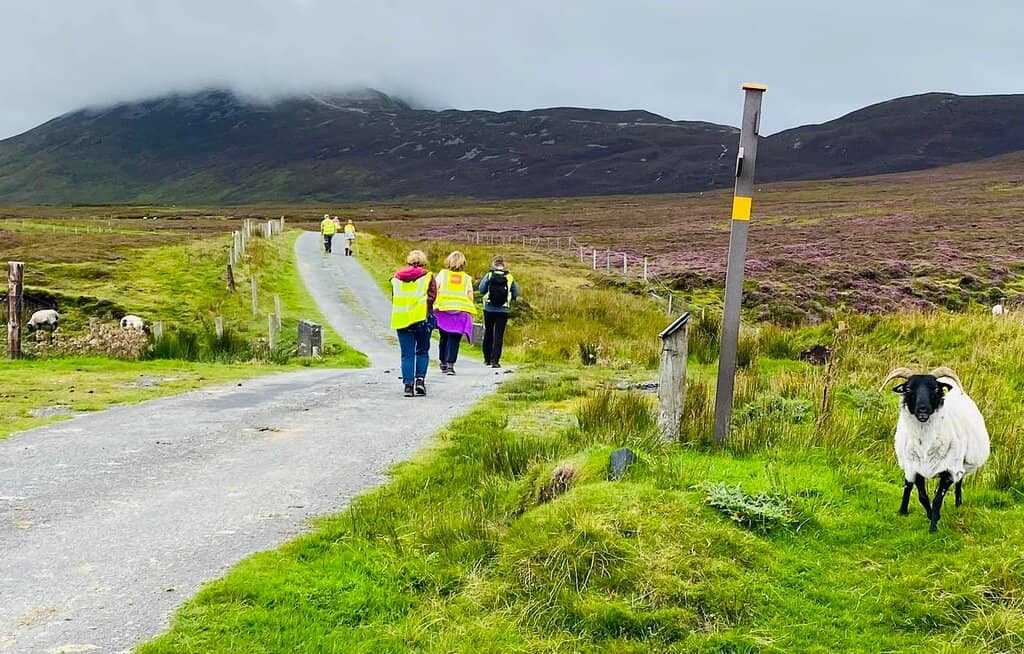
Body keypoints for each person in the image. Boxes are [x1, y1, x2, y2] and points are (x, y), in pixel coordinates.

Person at [391, 250, 436, 397]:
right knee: (422, 351)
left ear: (409, 261)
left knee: (407, 354)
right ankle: (420, 381)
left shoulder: (397, 277)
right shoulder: (428, 276)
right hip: (422, 319)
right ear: (423, 262)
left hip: (402, 319)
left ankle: (408, 386)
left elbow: (395, 296)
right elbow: (432, 297)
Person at [434, 251, 477, 375]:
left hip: (443, 310)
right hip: (460, 312)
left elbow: (434, 289)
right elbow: (470, 295)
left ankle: (443, 361)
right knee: (454, 338)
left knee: (444, 337)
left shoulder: (443, 274)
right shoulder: (466, 278)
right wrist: (469, 310)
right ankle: (450, 365)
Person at [478, 255, 520, 368]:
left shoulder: (489, 275)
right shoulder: (509, 277)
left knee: (488, 332)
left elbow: (481, 290)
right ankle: (495, 361)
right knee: (499, 335)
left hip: (489, 308)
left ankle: (487, 358)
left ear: (494, 264)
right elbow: (516, 292)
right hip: (503, 309)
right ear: (503, 265)